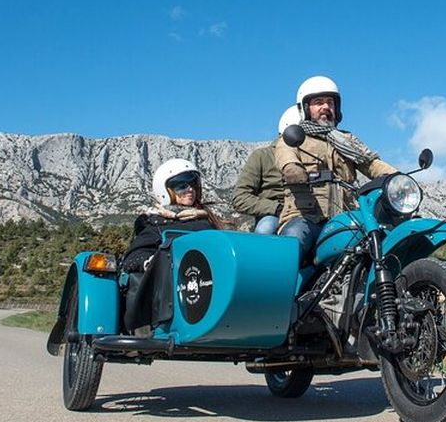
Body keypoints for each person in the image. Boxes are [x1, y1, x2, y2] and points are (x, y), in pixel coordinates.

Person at [275, 76, 397, 260]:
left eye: (330, 102)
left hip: (346, 218)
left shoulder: (346, 140)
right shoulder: (294, 137)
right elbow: (286, 158)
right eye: (318, 102)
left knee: (383, 242)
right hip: (306, 217)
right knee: (294, 241)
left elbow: (370, 163)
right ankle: (282, 288)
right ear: (306, 108)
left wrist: (398, 178)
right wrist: (294, 170)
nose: (325, 107)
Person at [120, 158, 225, 333]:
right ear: (165, 191)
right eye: (180, 185)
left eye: (193, 184)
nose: (189, 189)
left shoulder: (207, 221)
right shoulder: (156, 223)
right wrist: (150, 260)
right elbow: (133, 257)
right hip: (170, 297)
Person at [232, 106, 300, 234]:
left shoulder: (314, 157)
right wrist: (277, 208)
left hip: (309, 213)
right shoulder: (262, 156)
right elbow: (240, 197)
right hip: (275, 215)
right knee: (266, 228)